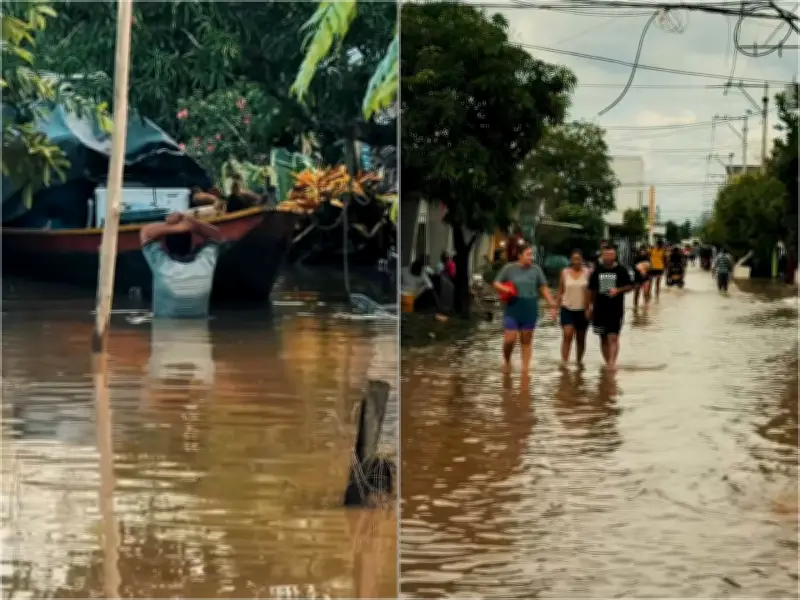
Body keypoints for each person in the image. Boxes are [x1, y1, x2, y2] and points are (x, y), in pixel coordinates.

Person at [140, 212, 223, 318]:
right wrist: (190, 223)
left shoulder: (162, 266)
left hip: (163, 327)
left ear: (165, 247)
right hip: (199, 328)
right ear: (192, 245)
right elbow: (217, 235)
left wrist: (177, 227)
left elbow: (145, 231)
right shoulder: (205, 264)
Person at [494, 244, 557, 374]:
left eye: (531, 254)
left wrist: (552, 304)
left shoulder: (536, 269)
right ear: (520, 255)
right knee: (510, 339)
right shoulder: (509, 268)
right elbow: (496, 283)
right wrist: (505, 289)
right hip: (513, 308)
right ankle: (507, 361)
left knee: (526, 339)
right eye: (528, 254)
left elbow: (544, 288)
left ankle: (525, 371)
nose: (531, 257)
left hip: (530, 308)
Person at [586, 244, 634, 369]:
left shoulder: (621, 270)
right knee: (603, 338)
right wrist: (589, 307)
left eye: (611, 254)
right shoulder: (597, 270)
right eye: (606, 254)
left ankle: (612, 364)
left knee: (613, 337)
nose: (608, 257)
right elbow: (591, 290)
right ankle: (608, 363)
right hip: (599, 309)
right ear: (602, 255)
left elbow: (630, 286)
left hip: (615, 309)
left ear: (615, 255)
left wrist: (618, 290)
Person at [556, 249, 590, 367]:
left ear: (582, 260)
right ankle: (565, 363)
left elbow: (592, 291)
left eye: (578, 259)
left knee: (581, 339)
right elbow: (560, 291)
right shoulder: (565, 272)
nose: (576, 261)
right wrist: (555, 308)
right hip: (567, 308)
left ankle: (579, 363)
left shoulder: (588, 272)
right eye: (574, 259)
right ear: (570, 260)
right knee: (567, 334)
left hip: (583, 310)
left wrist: (591, 307)